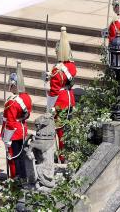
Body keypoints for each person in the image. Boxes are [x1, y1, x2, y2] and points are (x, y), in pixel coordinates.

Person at [46, 27, 77, 163]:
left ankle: (62, 158)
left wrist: (50, 106)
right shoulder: (71, 66)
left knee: (60, 132)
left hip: (60, 101)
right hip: (70, 98)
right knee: (69, 128)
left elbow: (54, 91)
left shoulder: (56, 70)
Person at [2, 62, 31, 180]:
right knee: (21, 155)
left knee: (14, 158)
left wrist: (7, 138)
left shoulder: (12, 102)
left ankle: (16, 179)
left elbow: (10, 122)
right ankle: (23, 176)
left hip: (13, 132)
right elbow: (27, 113)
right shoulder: (26, 97)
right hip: (22, 128)